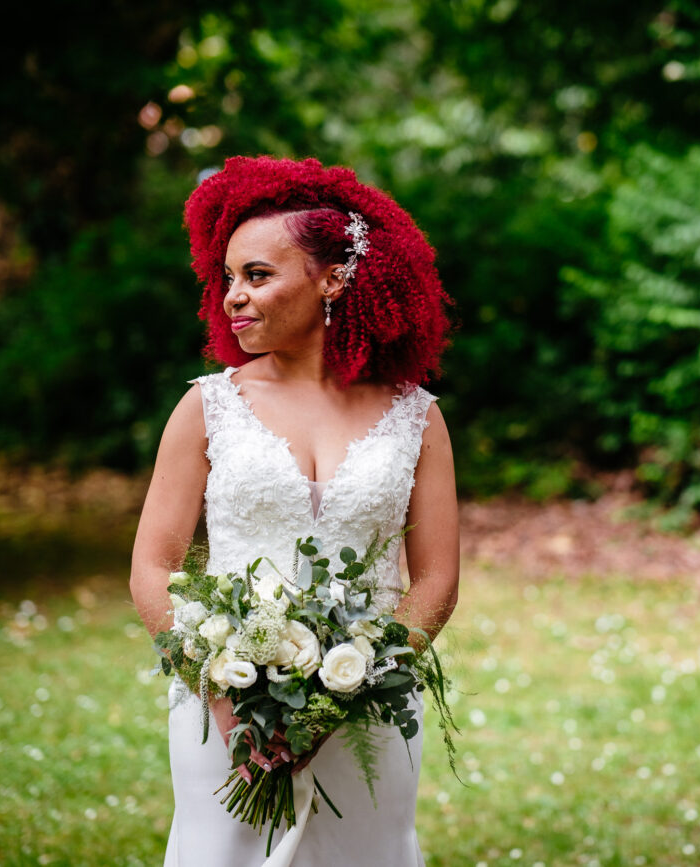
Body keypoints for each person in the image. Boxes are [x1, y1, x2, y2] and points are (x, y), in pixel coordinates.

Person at [129, 156, 459, 866]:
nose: (232, 299)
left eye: (257, 275)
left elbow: (435, 582)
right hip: (225, 711)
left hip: (368, 712)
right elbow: (152, 568)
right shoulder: (206, 408)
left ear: (333, 277)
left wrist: (343, 691)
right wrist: (220, 689)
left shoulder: (417, 418)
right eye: (227, 280)